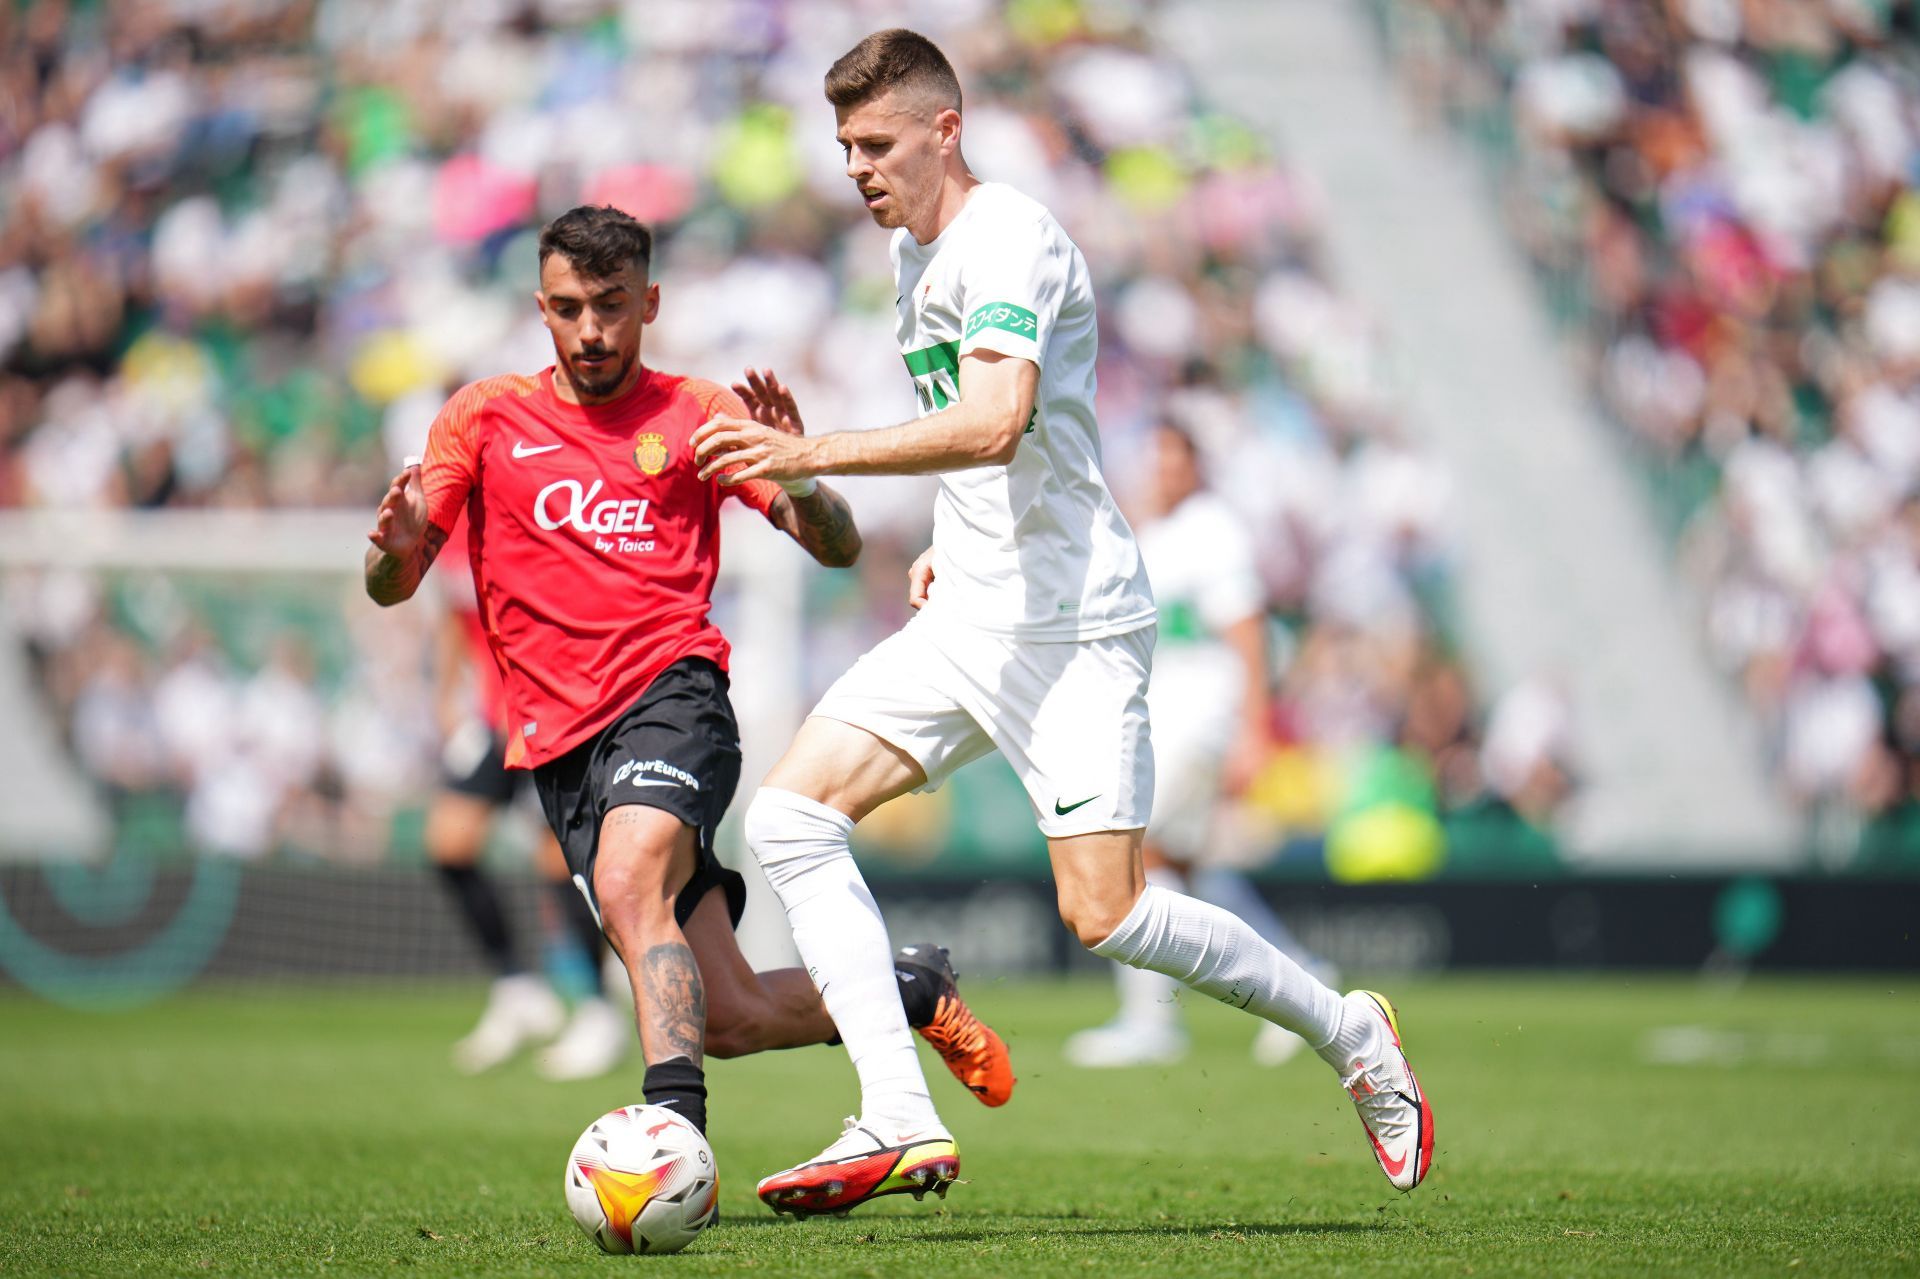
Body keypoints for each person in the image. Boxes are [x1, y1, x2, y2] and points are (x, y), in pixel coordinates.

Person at [693, 30, 1434, 1214]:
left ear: (948, 128)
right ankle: (897, 1112)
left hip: (1075, 627)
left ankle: (1351, 1033)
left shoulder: (1013, 237)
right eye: (843, 146)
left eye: (877, 142)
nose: (856, 167)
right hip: (974, 612)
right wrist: (949, 533)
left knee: (1107, 913)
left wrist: (812, 447)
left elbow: (995, 418)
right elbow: (975, 436)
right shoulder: (908, 251)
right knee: (788, 816)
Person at [364, 204, 1013, 1136]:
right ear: (539, 308)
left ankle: (673, 1138)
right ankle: (910, 987)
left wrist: (797, 479)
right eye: (569, 307)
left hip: (674, 701)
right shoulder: (484, 418)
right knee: (733, 1015)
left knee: (632, 881)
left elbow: (835, 546)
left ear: (650, 302)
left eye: (613, 305)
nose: (592, 329)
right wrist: (391, 551)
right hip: (561, 751)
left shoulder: (697, 412)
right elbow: (397, 583)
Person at [1065, 422, 1338, 1070]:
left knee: (1134, 845)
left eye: (1171, 457)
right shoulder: (1153, 535)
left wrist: (1254, 728)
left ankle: (1150, 1019)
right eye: (1152, 457)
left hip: (1202, 716)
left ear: (1194, 465)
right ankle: (1304, 976)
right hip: (1165, 714)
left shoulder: (1213, 528)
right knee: (1185, 867)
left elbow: (1246, 630)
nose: (1160, 470)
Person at [424, 527, 629, 1081]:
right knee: (449, 845)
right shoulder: (445, 538)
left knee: (555, 862)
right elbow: (452, 619)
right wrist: (446, 696)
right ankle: (518, 988)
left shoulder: (533, 510)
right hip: (491, 717)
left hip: (552, 710)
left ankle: (596, 1010)